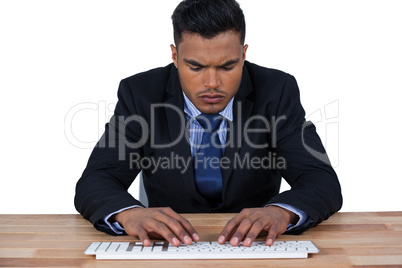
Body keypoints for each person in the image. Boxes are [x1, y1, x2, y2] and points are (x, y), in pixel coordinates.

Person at [74, 0, 342, 248]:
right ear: (175, 56)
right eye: (196, 67)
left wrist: (282, 211)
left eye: (227, 66)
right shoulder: (140, 93)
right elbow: (99, 177)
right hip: (166, 249)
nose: (212, 83)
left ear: (244, 54)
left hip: (257, 248)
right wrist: (128, 213)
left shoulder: (277, 91)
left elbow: (320, 179)